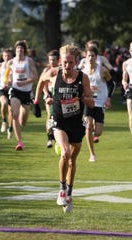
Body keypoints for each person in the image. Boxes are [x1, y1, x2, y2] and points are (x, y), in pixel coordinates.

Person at [34, 44, 94, 213]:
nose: (67, 66)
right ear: (60, 61)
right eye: (65, 62)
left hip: (76, 122)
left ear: (75, 62)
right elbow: (40, 81)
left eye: (71, 63)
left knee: (72, 160)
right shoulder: (53, 73)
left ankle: (69, 192)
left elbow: (91, 102)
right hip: (59, 120)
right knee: (65, 153)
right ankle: (61, 190)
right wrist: (38, 101)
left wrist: (82, 97)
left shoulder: (83, 78)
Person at [5, 40, 38, 150]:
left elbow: (35, 77)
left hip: (26, 92)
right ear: (15, 50)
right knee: (14, 114)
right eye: (18, 48)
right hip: (15, 90)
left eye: (22, 49)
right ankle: (19, 142)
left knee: (23, 121)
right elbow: (7, 75)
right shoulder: (11, 62)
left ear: (24, 51)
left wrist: (25, 82)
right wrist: (8, 82)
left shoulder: (29, 61)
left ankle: (20, 122)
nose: (20, 50)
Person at [81, 46, 111, 162]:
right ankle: (92, 154)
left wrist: (108, 98)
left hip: (100, 102)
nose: (90, 58)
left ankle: (94, 129)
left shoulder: (102, 70)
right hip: (88, 102)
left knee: (98, 132)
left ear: (96, 57)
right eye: (88, 55)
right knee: (88, 127)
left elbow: (111, 84)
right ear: (85, 56)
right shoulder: (82, 72)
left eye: (93, 56)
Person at [40, 49, 60, 148]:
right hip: (49, 95)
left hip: (59, 95)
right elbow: (42, 84)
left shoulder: (61, 70)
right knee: (50, 114)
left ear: (58, 60)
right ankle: (49, 138)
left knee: (59, 116)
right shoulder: (46, 70)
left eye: (53, 60)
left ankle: (58, 136)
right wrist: (47, 94)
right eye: (50, 60)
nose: (51, 62)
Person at [0, 48, 13, 139]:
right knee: (4, 103)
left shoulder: (15, 66)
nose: (7, 57)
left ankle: (10, 129)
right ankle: (4, 121)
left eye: (9, 56)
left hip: (12, 89)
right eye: (5, 56)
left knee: (11, 112)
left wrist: (11, 82)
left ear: (12, 57)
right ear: (2, 56)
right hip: (2, 89)